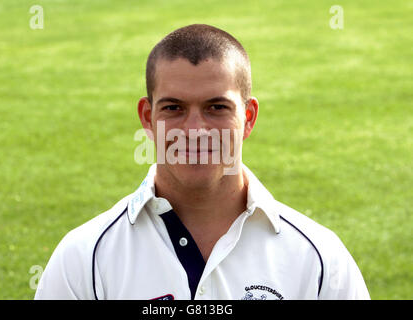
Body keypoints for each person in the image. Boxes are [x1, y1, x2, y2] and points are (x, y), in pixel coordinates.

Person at [35, 24, 370, 300]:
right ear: (148, 118)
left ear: (248, 117)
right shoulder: (85, 258)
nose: (195, 130)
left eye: (216, 108)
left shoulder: (319, 259)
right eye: (173, 108)